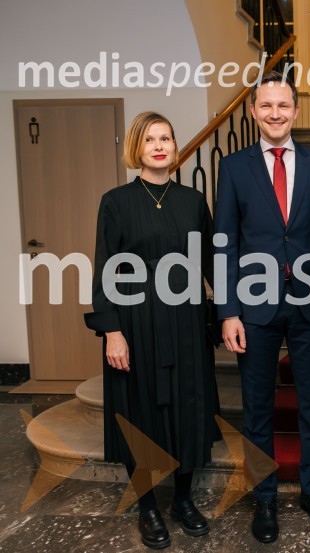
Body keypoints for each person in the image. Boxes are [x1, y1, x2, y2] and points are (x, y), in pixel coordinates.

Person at [214, 70, 310, 544]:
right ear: (253, 112)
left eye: (283, 105)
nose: (275, 113)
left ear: (296, 110)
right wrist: (228, 311)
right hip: (254, 308)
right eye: (266, 106)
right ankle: (264, 500)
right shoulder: (233, 167)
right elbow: (224, 245)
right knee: (257, 410)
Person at [85, 112, 219, 549]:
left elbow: (212, 263)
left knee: (187, 410)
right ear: (137, 149)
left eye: (166, 138)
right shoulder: (116, 201)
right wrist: (113, 332)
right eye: (150, 140)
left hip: (185, 320)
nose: (160, 146)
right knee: (140, 412)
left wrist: (229, 309)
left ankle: (183, 499)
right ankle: (147, 506)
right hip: (136, 321)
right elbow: (105, 269)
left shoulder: (193, 200)